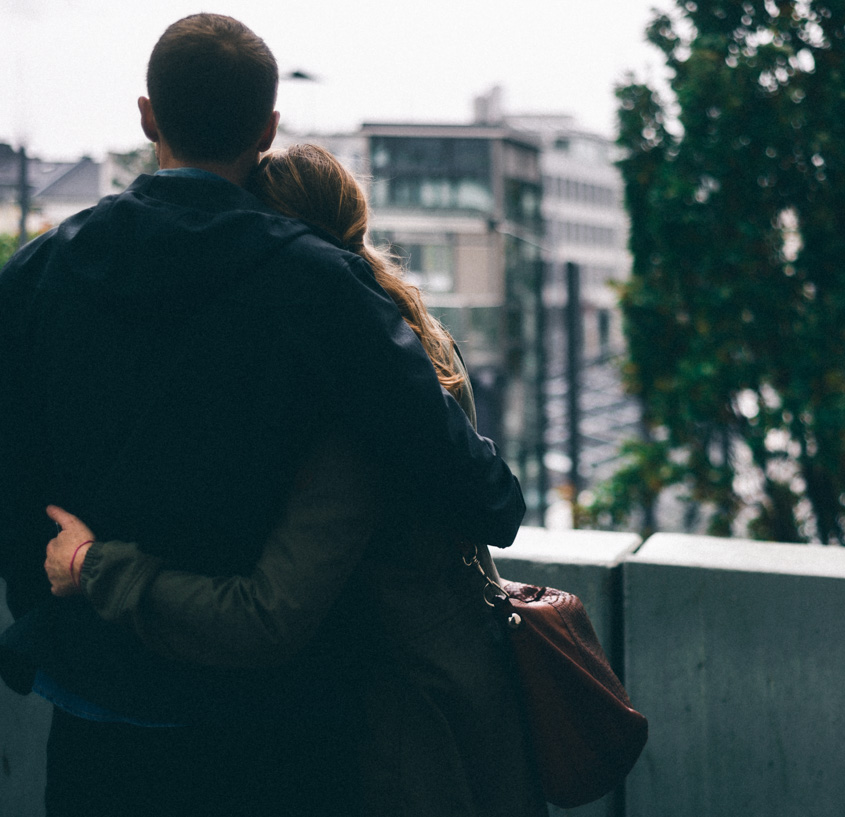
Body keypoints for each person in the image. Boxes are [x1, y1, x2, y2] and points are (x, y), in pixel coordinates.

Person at [0, 15, 524, 817]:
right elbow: (485, 498)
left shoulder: (34, 277)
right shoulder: (320, 285)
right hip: (284, 732)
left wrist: (82, 597)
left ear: (148, 115)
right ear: (267, 128)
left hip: (97, 721)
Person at [41, 144, 547, 817]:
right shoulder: (411, 340)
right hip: (456, 703)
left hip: (411, 751)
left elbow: (268, 614)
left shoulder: (358, 402)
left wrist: (95, 565)